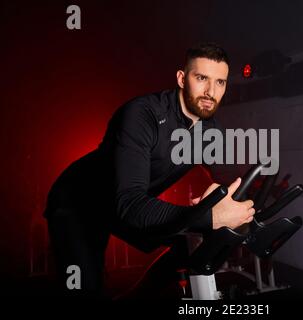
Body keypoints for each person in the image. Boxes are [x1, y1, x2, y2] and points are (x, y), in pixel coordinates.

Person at [44, 42, 255, 298]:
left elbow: (227, 180)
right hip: (78, 201)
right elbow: (131, 204)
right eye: (201, 78)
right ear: (181, 78)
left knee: (187, 247)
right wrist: (209, 215)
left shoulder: (210, 131)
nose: (211, 91)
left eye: (220, 82)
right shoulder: (142, 114)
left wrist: (242, 199)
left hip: (121, 203)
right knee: (86, 286)